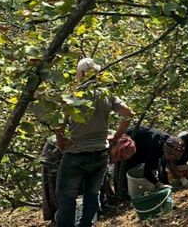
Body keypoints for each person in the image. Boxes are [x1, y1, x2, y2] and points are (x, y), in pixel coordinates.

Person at [54, 58, 133, 227]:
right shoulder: (106, 94)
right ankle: (86, 224)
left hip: (75, 154)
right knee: (92, 194)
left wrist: (61, 143)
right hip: (100, 153)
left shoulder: (72, 95)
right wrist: (117, 136)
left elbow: (58, 125)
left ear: (80, 74)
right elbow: (128, 113)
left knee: (67, 197)